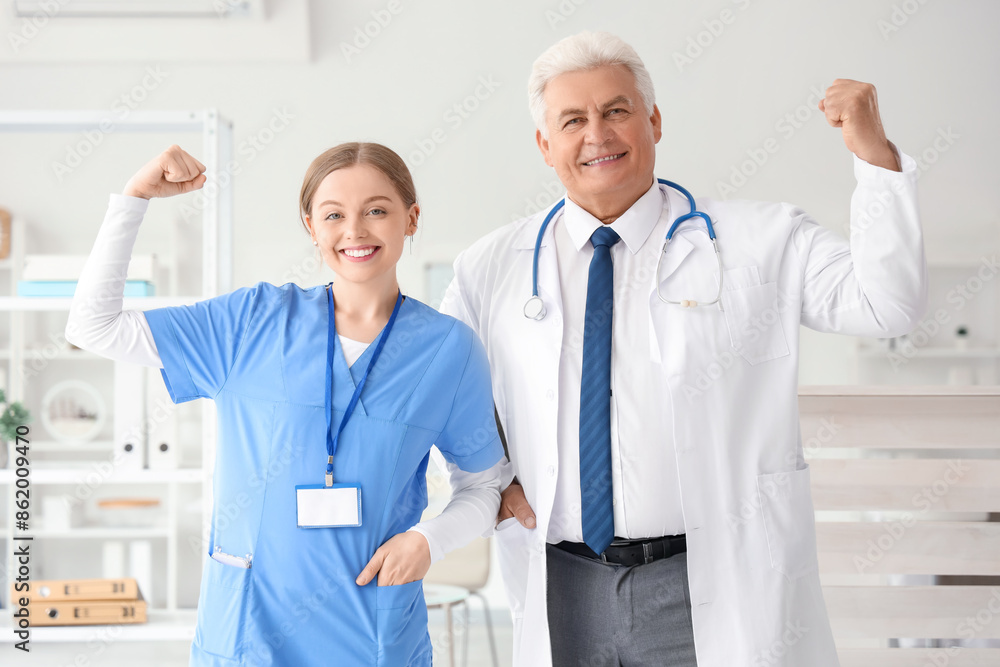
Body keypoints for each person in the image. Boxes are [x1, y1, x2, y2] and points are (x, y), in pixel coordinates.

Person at [440, 31, 926, 666]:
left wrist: (873, 157)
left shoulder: (763, 239)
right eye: (573, 120)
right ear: (545, 145)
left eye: (617, 111)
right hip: (562, 583)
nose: (598, 134)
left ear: (654, 121)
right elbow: (437, 387)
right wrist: (487, 476)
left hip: (708, 582)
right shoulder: (489, 266)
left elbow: (886, 304)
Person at [66, 142, 505, 666]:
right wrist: (135, 197)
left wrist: (429, 540)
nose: (355, 231)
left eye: (378, 211)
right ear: (311, 227)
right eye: (334, 215)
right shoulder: (250, 322)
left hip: (372, 633)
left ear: (411, 219)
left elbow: (485, 485)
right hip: (249, 629)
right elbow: (93, 327)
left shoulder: (447, 350)